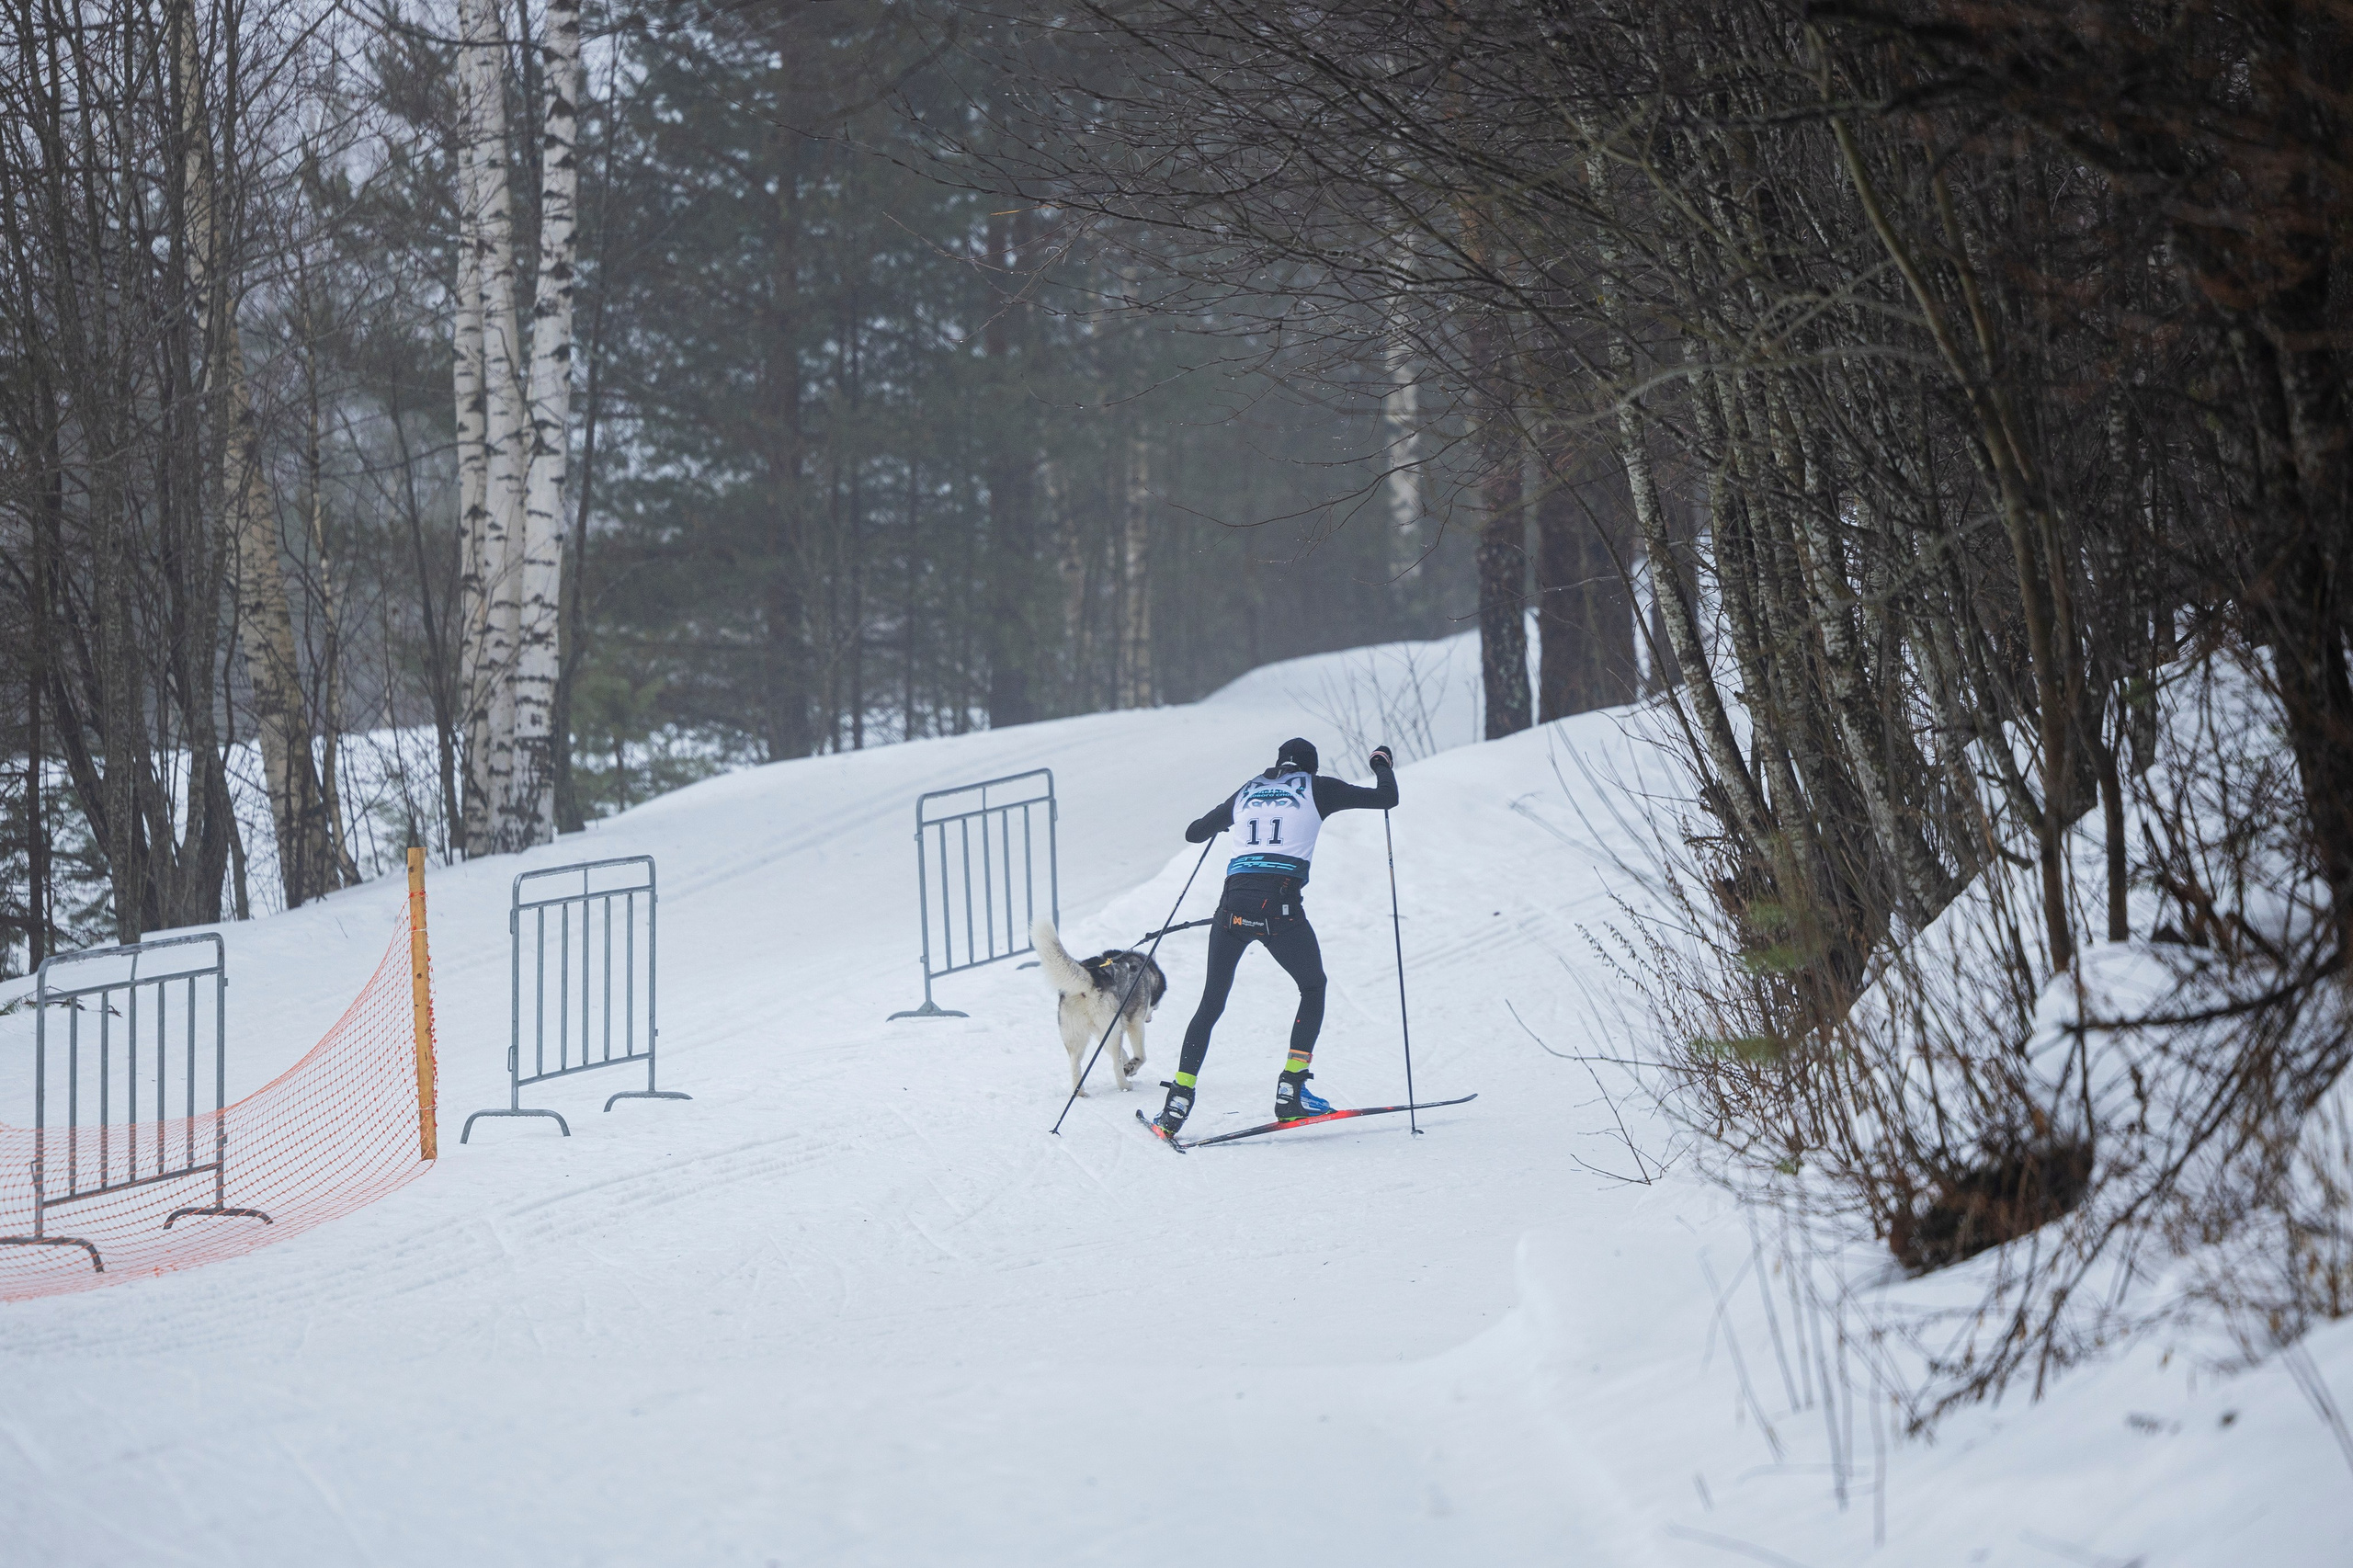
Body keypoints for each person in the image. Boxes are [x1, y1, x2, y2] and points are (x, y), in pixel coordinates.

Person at [1147, 736, 1399, 1140]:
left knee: (1211, 1003)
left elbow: (1195, 833)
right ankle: (1291, 1090)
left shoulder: (1250, 789)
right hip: (1280, 913)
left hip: (1231, 912)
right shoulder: (1318, 787)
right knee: (1312, 987)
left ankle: (1177, 1103)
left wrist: (1232, 818)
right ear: (1310, 767)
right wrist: (1380, 763)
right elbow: (1387, 798)